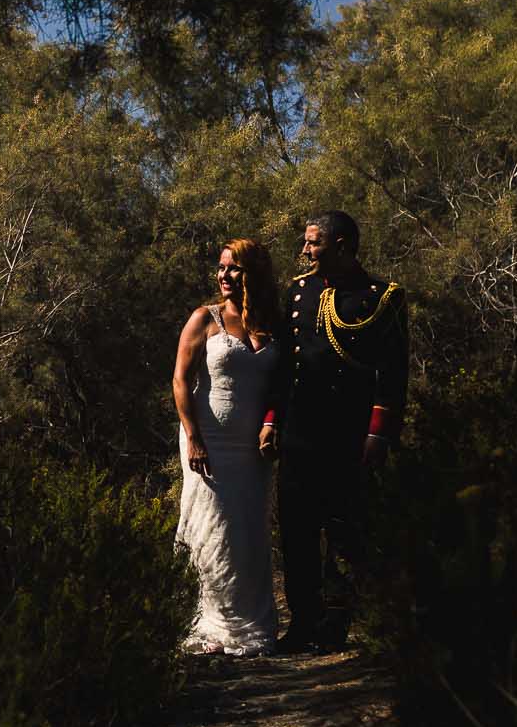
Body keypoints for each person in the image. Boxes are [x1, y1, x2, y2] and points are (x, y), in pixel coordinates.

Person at [259, 211, 408, 654]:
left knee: (346, 528)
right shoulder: (301, 291)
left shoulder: (384, 297)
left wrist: (378, 435)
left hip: (350, 432)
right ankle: (303, 621)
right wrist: (271, 418)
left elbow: (393, 373)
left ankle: (338, 622)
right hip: (301, 430)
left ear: (341, 245)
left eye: (313, 243)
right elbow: (285, 364)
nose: (305, 251)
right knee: (297, 529)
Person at [172, 238, 284, 655]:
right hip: (210, 442)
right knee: (211, 527)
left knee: (249, 530)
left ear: (253, 272)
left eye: (233, 268)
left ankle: (251, 624)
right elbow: (180, 380)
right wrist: (194, 436)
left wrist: (272, 425)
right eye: (221, 267)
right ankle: (209, 624)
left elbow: (280, 386)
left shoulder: (272, 323)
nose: (223, 275)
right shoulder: (205, 318)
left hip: (253, 448)